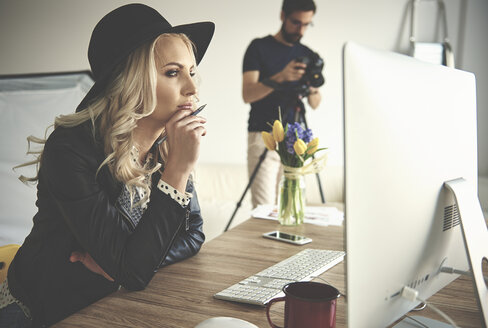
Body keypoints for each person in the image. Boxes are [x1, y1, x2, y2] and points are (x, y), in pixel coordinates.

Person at [0, 4, 214, 327]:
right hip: (39, 310)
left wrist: (128, 261)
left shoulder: (167, 144)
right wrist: (178, 172)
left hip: (108, 304)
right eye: (173, 72)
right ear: (132, 78)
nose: (193, 88)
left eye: (192, 71)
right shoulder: (71, 150)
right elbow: (133, 273)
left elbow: (193, 234)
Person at [242, 0, 322, 208]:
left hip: (295, 139)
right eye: (296, 22)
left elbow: (315, 102)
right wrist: (280, 77)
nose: (301, 29)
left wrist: (311, 85)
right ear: (282, 16)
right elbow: (248, 93)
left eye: (306, 24)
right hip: (263, 135)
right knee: (264, 209)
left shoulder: (308, 55)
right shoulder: (258, 47)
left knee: (291, 206)